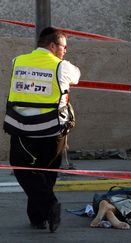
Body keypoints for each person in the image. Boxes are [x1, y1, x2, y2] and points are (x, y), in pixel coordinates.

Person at [3, 27, 80, 232]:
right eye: (63, 46)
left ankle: (39, 217)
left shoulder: (18, 61)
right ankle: (47, 207)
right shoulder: (62, 67)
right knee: (46, 174)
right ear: (52, 45)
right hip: (52, 131)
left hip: (21, 128)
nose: (65, 50)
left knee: (24, 169)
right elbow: (76, 77)